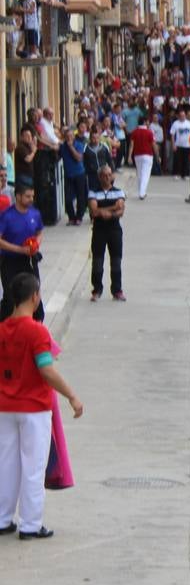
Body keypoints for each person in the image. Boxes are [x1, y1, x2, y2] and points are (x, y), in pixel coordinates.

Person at [0, 272, 83, 540]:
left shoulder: (1, 329)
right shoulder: (37, 331)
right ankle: (30, 524)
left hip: (4, 406)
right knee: (33, 466)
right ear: (35, 297)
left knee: (6, 464)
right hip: (34, 408)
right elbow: (46, 369)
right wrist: (71, 395)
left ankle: (3, 518)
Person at [0, 182, 44, 321]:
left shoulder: (35, 213)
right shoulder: (7, 216)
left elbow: (40, 232)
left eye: (32, 196)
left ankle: (36, 325)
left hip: (29, 261)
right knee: (10, 298)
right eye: (27, 196)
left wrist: (36, 243)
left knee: (34, 295)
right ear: (18, 196)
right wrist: (19, 249)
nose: (31, 199)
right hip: (10, 262)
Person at [87, 165, 126, 302]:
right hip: (99, 230)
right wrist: (113, 207)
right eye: (104, 175)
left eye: (109, 175)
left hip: (114, 230)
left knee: (116, 260)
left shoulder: (119, 191)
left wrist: (105, 210)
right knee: (97, 261)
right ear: (99, 177)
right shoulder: (93, 192)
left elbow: (121, 210)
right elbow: (94, 211)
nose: (107, 178)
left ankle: (117, 290)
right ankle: (96, 290)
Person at [129, 116, 156, 200]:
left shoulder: (134, 132)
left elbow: (131, 145)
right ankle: (142, 192)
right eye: (147, 121)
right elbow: (153, 145)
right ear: (144, 122)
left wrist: (129, 156)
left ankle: (141, 191)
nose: (148, 123)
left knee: (140, 174)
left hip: (137, 155)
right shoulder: (149, 132)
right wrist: (158, 155)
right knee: (146, 174)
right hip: (148, 155)